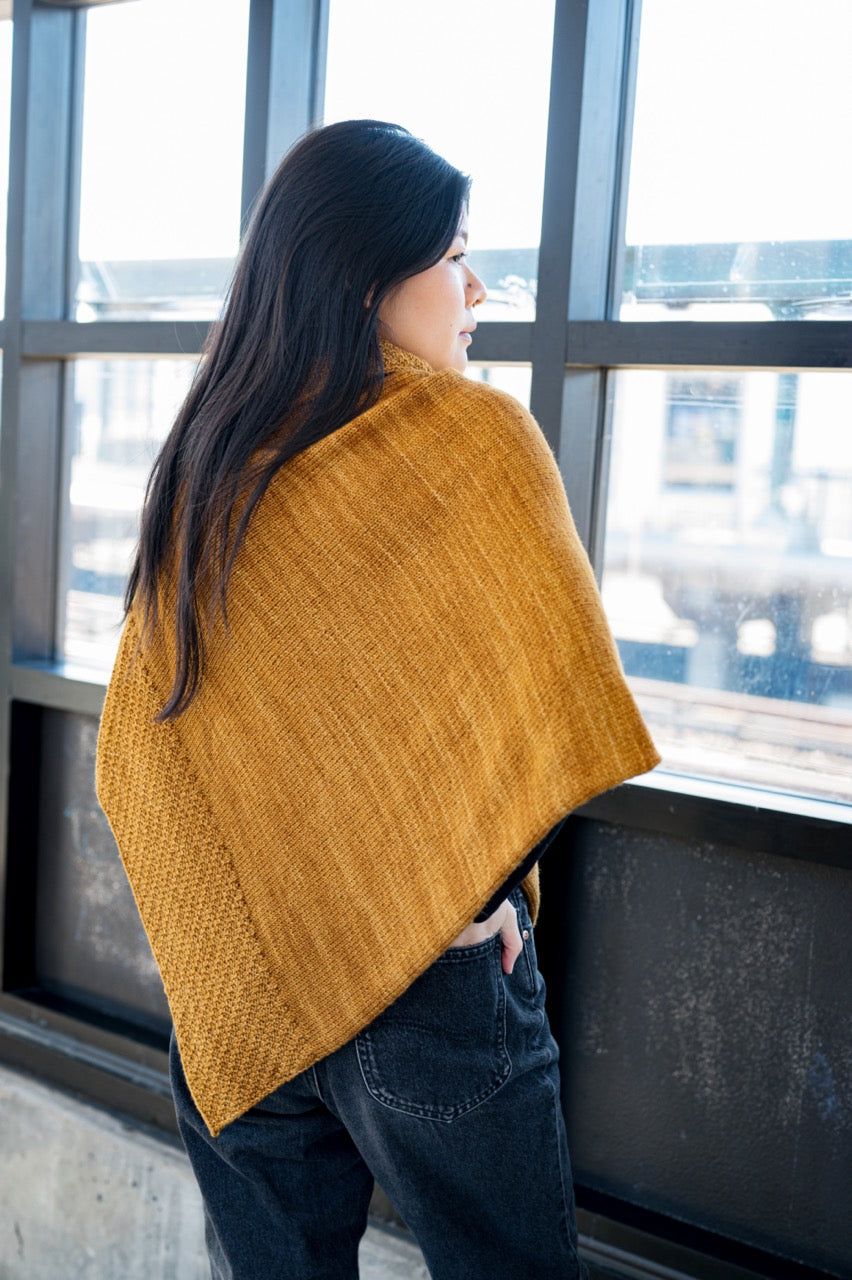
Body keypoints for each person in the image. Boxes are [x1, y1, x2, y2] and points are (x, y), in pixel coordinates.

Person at [96, 119, 659, 1280]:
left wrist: (234, 954)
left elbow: (142, 752)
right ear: (367, 281)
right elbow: (539, 703)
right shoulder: (476, 439)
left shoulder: (211, 457)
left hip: (239, 1005)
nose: (477, 289)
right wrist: (468, 907)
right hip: (432, 994)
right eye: (455, 255)